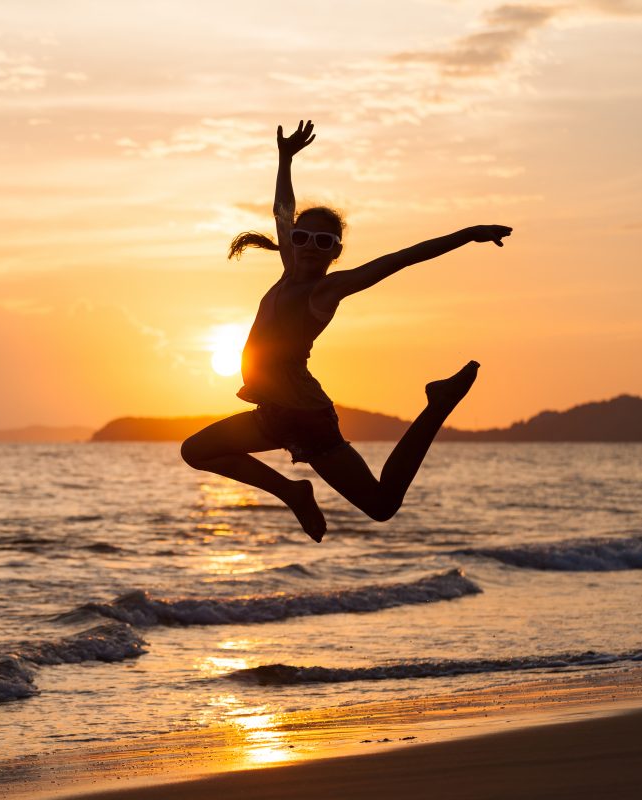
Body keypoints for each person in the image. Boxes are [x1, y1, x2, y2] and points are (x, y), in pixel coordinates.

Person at [180, 120, 512, 542]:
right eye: (302, 237)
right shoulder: (288, 271)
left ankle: (438, 404)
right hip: (272, 413)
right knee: (196, 451)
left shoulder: (326, 290)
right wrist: (285, 160)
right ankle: (294, 493)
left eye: (323, 242)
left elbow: (400, 259)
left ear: (336, 251)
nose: (308, 246)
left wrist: (466, 235)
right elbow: (283, 210)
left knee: (381, 504)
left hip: (305, 417)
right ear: (291, 241)